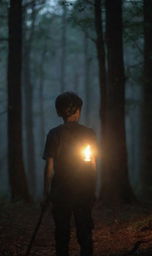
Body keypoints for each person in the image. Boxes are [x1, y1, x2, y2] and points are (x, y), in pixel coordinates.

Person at [42, 92, 97, 256]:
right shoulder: (89, 133)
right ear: (78, 110)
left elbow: (49, 169)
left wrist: (46, 193)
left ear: (59, 112)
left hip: (60, 191)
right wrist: (93, 189)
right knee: (84, 231)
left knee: (62, 233)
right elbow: (93, 164)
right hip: (83, 189)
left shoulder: (54, 134)